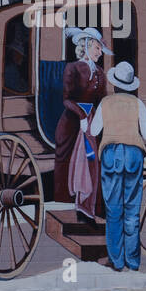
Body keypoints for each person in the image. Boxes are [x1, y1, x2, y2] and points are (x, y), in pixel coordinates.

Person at [90, 61, 146, 271]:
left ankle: (116, 260)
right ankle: (133, 261)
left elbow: (95, 129)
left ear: (115, 84)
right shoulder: (138, 105)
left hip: (111, 155)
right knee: (132, 210)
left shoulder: (106, 103)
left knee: (114, 210)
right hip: (134, 155)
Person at [54, 26, 110, 221]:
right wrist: (81, 116)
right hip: (73, 121)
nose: (99, 52)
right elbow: (66, 99)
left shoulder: (101, 73)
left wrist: (100, 119)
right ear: (85, 46)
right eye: (96, 48)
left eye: (100, 49)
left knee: (95, 162)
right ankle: (79, 207)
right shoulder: (72, 68)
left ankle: (91, 209)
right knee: (79, 163)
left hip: (93, 121)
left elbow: (103, 100)